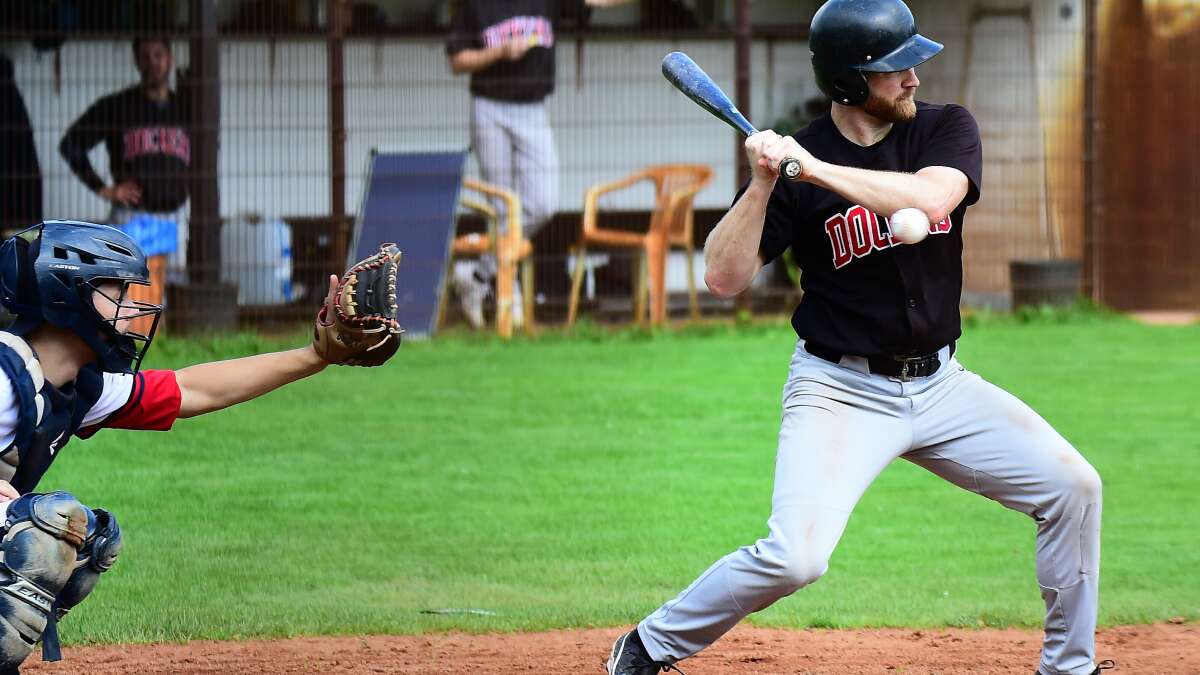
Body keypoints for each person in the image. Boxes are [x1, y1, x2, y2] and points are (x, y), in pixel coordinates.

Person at [605, 2, 1111, 675]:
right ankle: (649, 644)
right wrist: (761, 185)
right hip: (838, 389)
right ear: (848, 81)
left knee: (1074, 487)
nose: (913, 79)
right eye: (895, 67)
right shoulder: (789, 171)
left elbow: (930, 202)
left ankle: (1069, 668)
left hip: (942, 386)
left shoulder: (944, 130)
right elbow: (723, 277)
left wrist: (810, 168)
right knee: (796, 557)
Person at [0, 220, 399, 674]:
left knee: (90, 538)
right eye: (119, 293)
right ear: (66, 292)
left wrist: (316, 355)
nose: (134, 308)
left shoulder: (75, 387)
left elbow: (191, 390)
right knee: (46, 528)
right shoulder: (7, 371)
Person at [445, 0, 631, 328]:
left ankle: (477, 274)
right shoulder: (477, 6)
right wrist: (499, 52)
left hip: (533, 108)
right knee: (502, 205)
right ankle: (507, 290)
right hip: (489, 107)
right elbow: (458, 60)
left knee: (543, 203)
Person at [58, 36, 191, 279]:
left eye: (158, 55)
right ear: (136, 62)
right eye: (145, 56)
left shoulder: (186, 108)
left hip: (174, 215)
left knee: (172, 294)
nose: (152, 63)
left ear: (170, 59)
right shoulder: (118, 106)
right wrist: (104, 189)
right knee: (127, 294)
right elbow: (70, 145)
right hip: (132, 216)